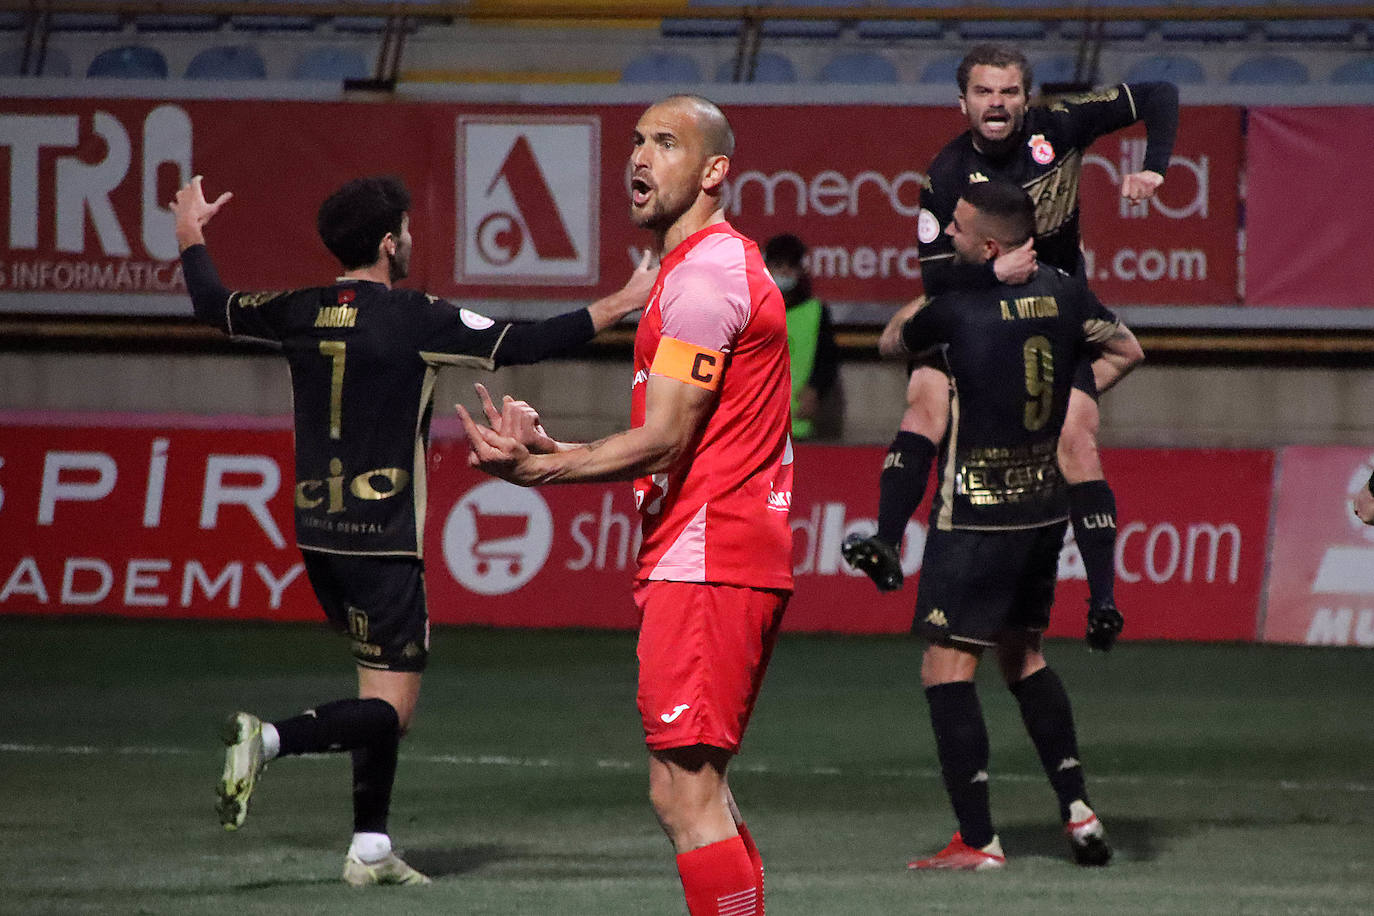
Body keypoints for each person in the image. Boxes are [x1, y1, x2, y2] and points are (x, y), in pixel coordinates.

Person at [170, 174, 654, 886]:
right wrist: (627, 300)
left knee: (374, 690)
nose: (412, 241)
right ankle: (268, 738)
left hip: (317, 532)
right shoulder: (412, 316)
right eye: (408, 230)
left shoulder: (300, 309)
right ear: (389, 243)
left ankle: (370, 847)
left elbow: (213, 305)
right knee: (389, 713)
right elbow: (529, 341)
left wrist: (189, 230)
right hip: (383, 539)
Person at [456, 95, 790, 916]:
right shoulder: (699, 271)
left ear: (715, 172)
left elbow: (666, 439)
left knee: (687, 798)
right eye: (637, 141)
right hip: (707, 550)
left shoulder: (706, 279)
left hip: (708, 556)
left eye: (667, 144)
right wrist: (554, 451)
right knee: (696, 791)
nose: (640, 158)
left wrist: (540, 476)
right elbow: (679, 437)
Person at [844, 43, 1167, 651]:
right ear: (963, 102)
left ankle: (1103, 604)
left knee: (1076, 438)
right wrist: (995, 275)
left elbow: (1158, 96)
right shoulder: (943, 174)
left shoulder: (1061, 126)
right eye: (985, 92)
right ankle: (886, 541)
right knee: (923, 401)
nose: (998, 103)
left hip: (1053, 314)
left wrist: (1155, 167)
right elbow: (938, 281)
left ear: (1026, 98)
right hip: (977, 309)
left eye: (1010, 92)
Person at [876, 180, 1137, 871]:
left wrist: (974, 283)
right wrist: (1070, 405)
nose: (948, 236)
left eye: (958, 229)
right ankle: (1078, 812)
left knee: (945, 668)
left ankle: (977, 839)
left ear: (990, 244)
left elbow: (895, 339)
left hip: (978, 514)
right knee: (1022, 655)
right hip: (1045, 506)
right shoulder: (1066, 290)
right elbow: (1126, 350)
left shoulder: (964, 308)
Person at [763, 233, 841, 440]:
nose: (785, 272)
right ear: (767, 267)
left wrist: (815, 390)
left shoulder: (815, 310)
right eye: (778, 265)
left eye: (791, 266)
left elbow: (827, 359)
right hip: (757, 424)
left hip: (798, 423)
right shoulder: (753, 309)